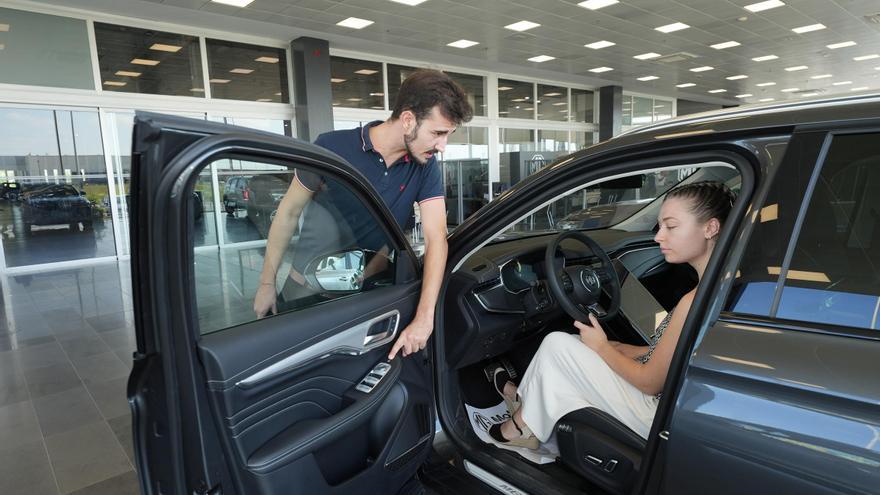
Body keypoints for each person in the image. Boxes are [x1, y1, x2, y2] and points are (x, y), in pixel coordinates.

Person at [488, 181, 736, 449]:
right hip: (679, 406)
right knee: (575, 344)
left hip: (658, 415)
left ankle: (519, 426)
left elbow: (650, 382)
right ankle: (526, 405)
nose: (657, 237)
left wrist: (604, 348)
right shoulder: (724, 284)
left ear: (710, 228)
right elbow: (672, 355)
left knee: (557, 345)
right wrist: (615, 347)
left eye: (671, 226)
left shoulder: (694, 300)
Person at [253, 69, 473, 361]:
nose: (443, 146)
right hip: (303, 294)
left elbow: (436, 238)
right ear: (408, 120)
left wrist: (424, 317)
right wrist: (267, 284)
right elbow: (288, 213)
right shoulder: (332, 146)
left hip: (362, 298)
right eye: (438, 133)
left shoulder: (425, 166)